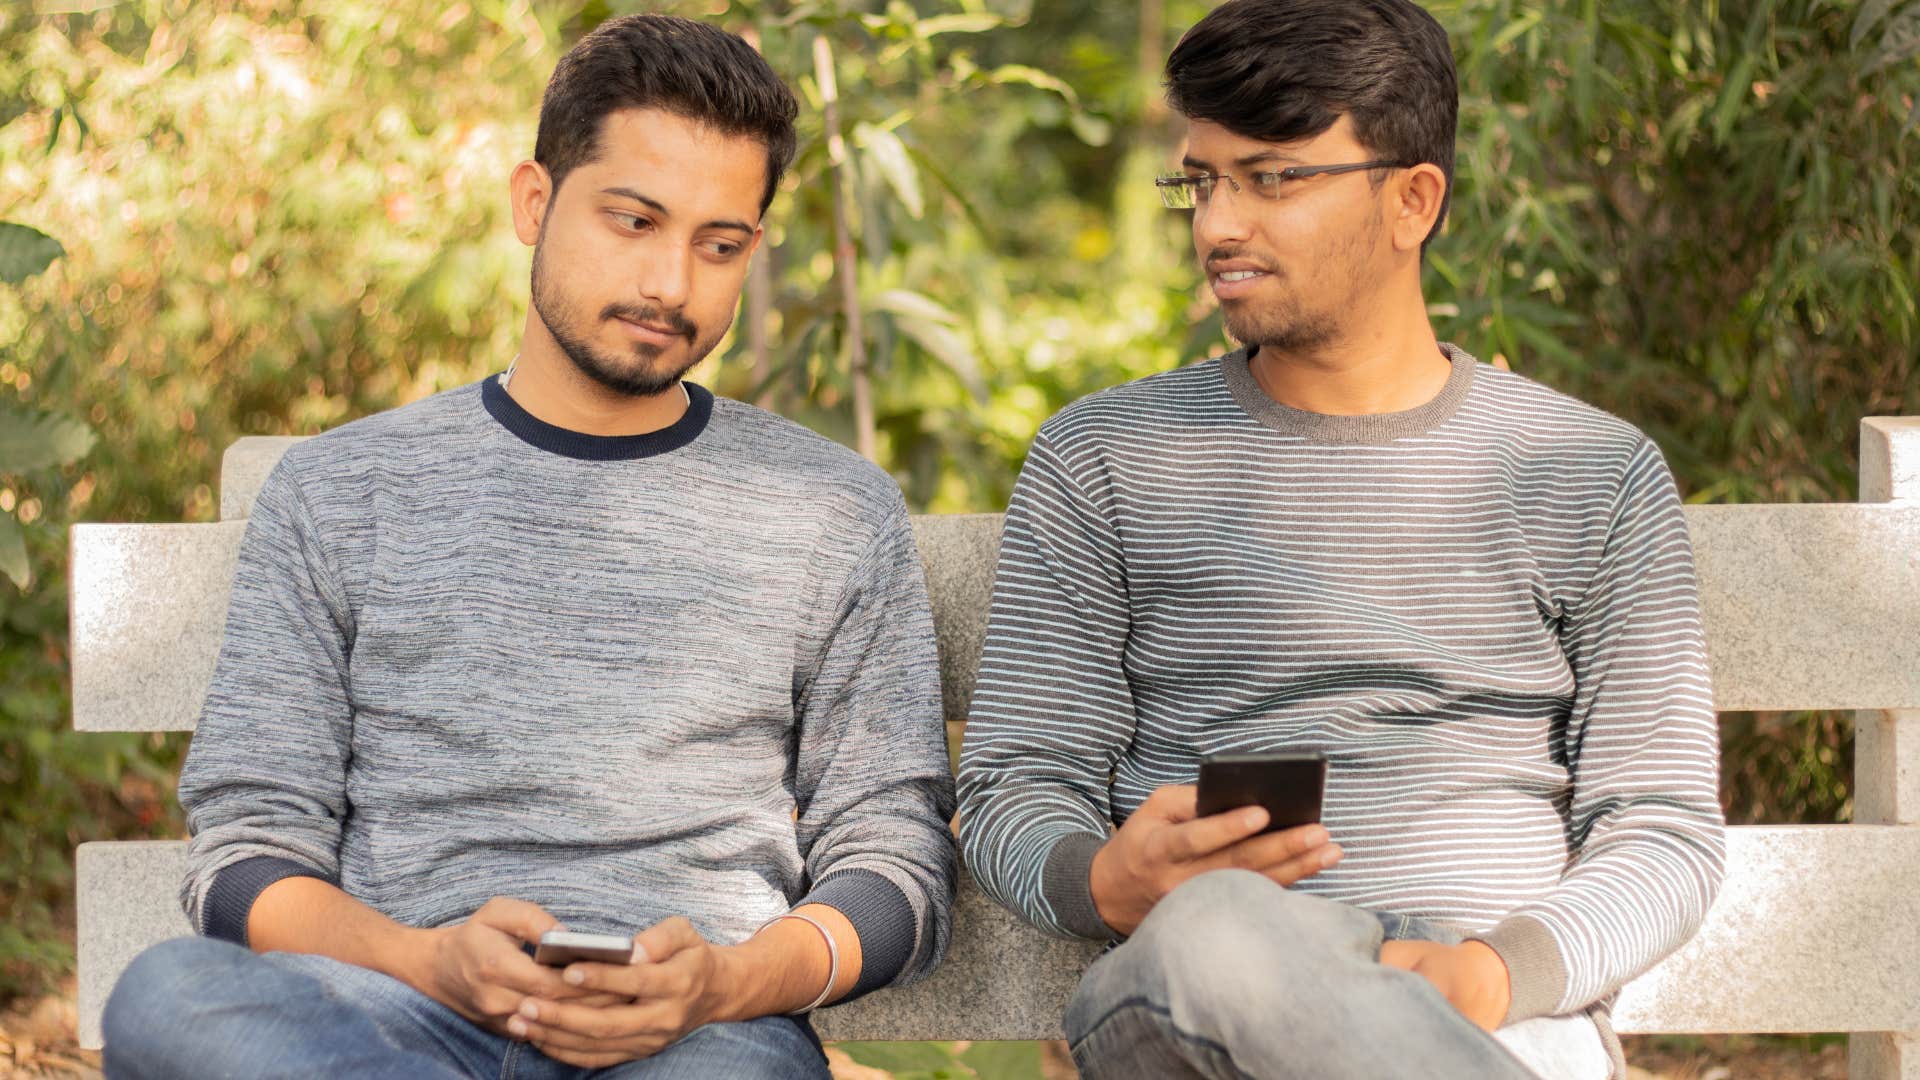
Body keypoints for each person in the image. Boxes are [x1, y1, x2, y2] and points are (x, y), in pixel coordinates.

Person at [103, 15, 956, 1079]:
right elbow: (246, 846)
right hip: (385, 1014)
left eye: (720, 244)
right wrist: (422, 959)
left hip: (696, 1036)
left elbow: (895, 864)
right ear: (534, 202)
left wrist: (725, 983)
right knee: (170, 994)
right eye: (634, 220)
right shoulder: (342, 490)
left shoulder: (832, 510)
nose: (672, 285)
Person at [955, 2, 1724, 1077]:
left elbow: (1663, 831)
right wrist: (1105, 878)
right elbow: (1010, 787)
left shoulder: (1590, 473)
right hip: (1194, 1011)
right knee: (1224, 935)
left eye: (1270, 179)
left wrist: (1495, 974)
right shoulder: (1106, 460)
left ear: (1413, 199)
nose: (1218, 225)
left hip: (1494, 1014)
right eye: (1202, 182)